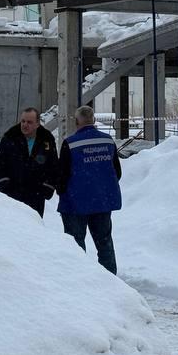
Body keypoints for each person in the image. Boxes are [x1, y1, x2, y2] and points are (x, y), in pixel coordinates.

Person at [56, 106, 121, 274]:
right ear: (93, 120)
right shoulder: (108, 141)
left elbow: (61, 176)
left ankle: (79, 279)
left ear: (76, 122)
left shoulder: (70, 143)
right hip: (102, 202)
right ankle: (110, 279)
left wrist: (62, 191)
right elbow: (117, 172)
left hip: (76, 203)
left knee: (76, 245)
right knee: (104, 243)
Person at [0, 107, 60, 215]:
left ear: (37, 124)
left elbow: (53, 166)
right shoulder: (10, 138)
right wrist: (3, 184)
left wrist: (47, 187)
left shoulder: (47, 140)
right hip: (12, 195)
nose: (25, 125)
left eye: (29, 122)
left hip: (36, 196)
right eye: (23, 121)